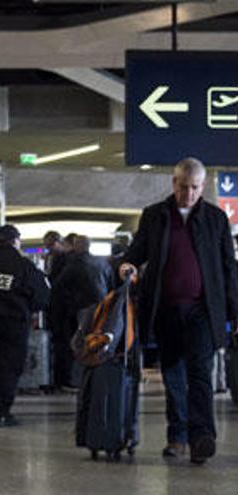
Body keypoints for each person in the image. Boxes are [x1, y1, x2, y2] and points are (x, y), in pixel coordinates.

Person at [119, 157, 238, 465]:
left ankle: (201, 437)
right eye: (183, 187)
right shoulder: (155, 216)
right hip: (166, 310)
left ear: (203, 186)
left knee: (200, 373)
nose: (189, 194)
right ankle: (177, 437)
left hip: (202, 310)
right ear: (174, 183)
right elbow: (138, 251)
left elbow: (229, 268)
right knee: (173, 376)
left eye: (195, 188)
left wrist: (235, 311)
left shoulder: (215, 218)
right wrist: (127, 264)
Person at [0, 225, 49, 427]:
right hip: (13, 324)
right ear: (15, 241)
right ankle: (2, 411)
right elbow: (41, 297)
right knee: (9, 367)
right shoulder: (24, 266)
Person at [51, 235, 111, 390]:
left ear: (77, 246)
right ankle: (98, 376)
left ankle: (77, 380)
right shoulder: (102, 262)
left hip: (83, 308)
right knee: (98, 341)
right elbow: (111, 283)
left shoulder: (75, 263)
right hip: (102, 307)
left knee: (80, 343)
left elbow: (58, 284)